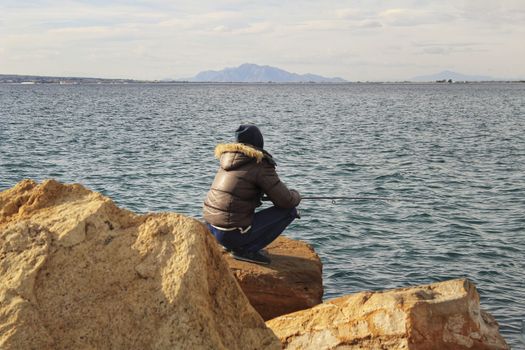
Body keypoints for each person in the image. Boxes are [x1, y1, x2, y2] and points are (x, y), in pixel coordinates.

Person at [203, 124, 301, 265]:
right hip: (231, 233)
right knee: (289, 211)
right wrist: (296, 195)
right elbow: (286, 200)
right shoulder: (259, 163)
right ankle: (246, 250)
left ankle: (233, 244)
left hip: (212, 228)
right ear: (259, 142)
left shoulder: (227, 160)